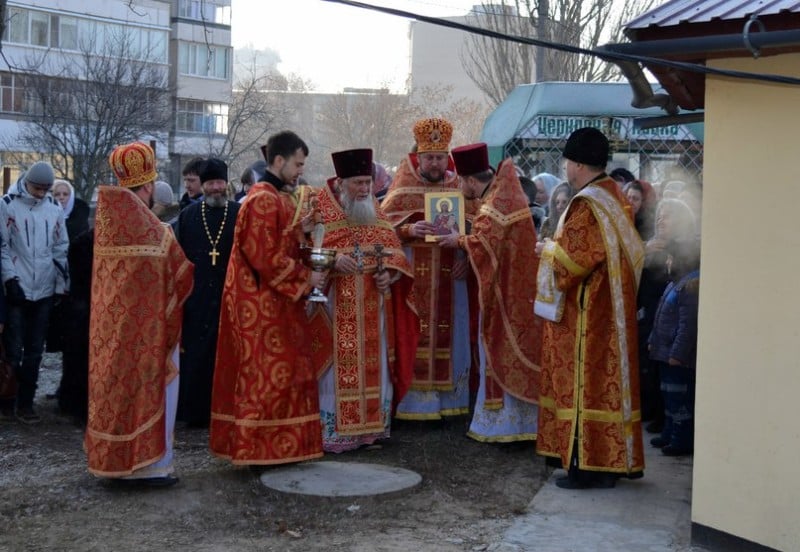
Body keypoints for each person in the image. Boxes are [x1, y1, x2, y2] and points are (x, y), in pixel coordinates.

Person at [534, 127, 645, 489]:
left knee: (587, 385)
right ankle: (608, 462)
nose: (566, 169)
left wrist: (546, 250)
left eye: (568, 162)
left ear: (578, 164)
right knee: (604, 386)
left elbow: (573, 263)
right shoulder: (613, 194)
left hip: (589, 316)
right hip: (610, 309)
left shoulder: (586, 204)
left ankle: (587, 468)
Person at [209, 131, 326, 466]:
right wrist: (308, 277)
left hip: (275, 302)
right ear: (278, 161)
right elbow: (264, 256)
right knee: (267, 379)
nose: (300, 171)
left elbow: (275, 241)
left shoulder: (276, 197)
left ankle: (278, 449)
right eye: (297, 164)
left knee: (285, 375)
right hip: (262, 306)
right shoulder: (263, 198)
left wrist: (298, 230)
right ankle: (259, 449)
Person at [84, 141, 194, 487]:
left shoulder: (108, 220)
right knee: (154, 389)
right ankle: (150, 467)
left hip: (111, 330)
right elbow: (182, 272)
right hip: (148, 331)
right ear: (147, 186)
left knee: (114, 392)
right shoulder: (155, 232)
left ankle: (113, 462)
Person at [312, 148, 418, 452]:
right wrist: (332, 261)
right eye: (358, 183)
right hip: (336, 307)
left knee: (375, 369)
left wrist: (392, 276)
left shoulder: (373, 208)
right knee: (334, 373)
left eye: (367, 183)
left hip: (373, 306)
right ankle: (336, 434)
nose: (364, 189)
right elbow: (305, 251)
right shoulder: (321, 207)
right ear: (342, 182)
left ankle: (371, 431)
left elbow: (394, 250)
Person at [438, 143, 540, 442]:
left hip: (507, 295)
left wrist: (458, 241)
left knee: (499, 348)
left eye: (461, 181)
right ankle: (513, 423)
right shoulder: (501, 193)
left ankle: (506, 426)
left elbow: (485, 245)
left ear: (471, 180)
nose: (460, 187)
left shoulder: (495, 203)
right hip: (511, 288)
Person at [381, 117, 472, 420]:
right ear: (418, 157)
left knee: (452, 332)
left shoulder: (459, 185)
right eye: (429, 157)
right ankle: (413, 404)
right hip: (414, 277)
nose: (435, 164)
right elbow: (382, 230)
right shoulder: (403, 186)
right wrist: (408, 230)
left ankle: (449, 403)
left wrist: (466, 257)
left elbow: (477, 228)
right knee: (414, 330)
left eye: (440, 157)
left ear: (448, 156)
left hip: (451, 276)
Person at [0, 162, 69, 424]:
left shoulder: (53, 209)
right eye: (38, 188)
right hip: (18, 286)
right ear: (28, 183)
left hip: (44, 288)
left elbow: (60, 248)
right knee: (13, 350)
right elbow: (4, 246)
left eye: (45, 189)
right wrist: (10, 279)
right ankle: (8, 401)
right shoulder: (7, 204)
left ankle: (27, 403)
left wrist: (61, 286)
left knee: (35, 351)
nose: (41, 193)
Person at [175, 158, 240, 428]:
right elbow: (178, 256)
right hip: (197, 296)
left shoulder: (238, 212)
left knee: (226, 353)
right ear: (203, 186)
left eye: (220, 183)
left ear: (226, 184)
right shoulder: (188, 216)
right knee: (198, 354)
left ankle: (226, 409)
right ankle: (195, 412)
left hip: (231, 293)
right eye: (211, 183)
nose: (216, 188)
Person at [648, 238, 700, 457]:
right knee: (668, 396)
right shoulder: (674, 283)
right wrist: (652, 339)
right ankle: (669, 432)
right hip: (664, 352)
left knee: (680, 400)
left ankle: (682, 439)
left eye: (671, 258)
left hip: (677, 358)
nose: (667, 262)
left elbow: (687, 327)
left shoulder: (690, 286)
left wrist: (678, 354)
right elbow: (660, 315)